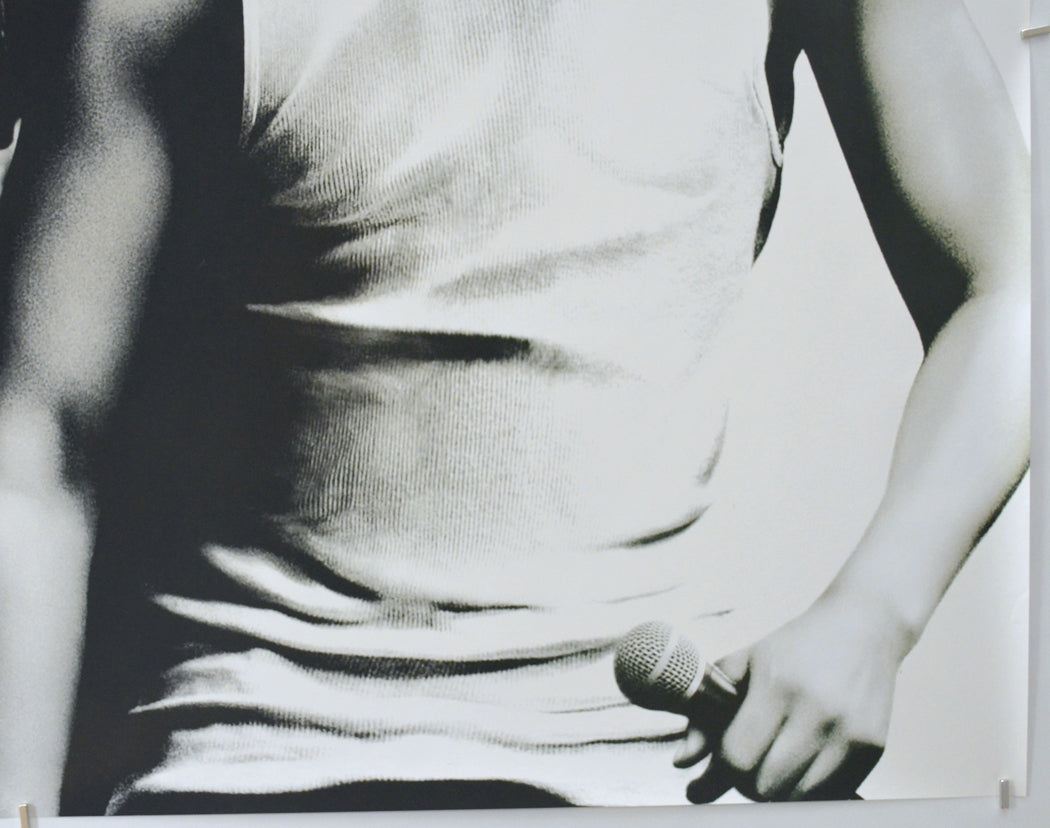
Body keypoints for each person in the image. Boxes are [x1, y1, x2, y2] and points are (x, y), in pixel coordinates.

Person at [0, 0, 1030, 816]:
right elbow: (32, 439)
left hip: (640, 771)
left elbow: (1018, 288)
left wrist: (873, 615)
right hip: (252, 772)